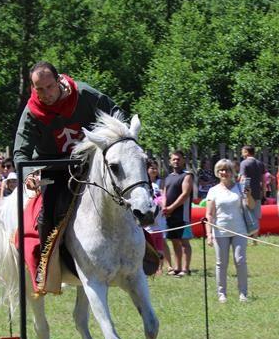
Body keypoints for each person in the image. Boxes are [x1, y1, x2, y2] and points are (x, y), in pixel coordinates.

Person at [13, 61, 124, 273]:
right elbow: (20, 152)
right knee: (47, 214)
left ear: (59, 81)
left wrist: (118, 142)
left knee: (123, 195)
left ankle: (140, 251)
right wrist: (29, 175)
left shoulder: (84, 94)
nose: (46, 94)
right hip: (52, 171)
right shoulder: (32, 111)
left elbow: (117, 114)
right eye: (39, 89)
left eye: (49, 86)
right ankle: (49, 266)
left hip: (88, 164)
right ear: (32, 88)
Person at [205, 159, 254, 303]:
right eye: (221, 170)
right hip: (220, 231)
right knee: (221, 263)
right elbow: (209, 214)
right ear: (217, 172)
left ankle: (243, 293)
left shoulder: (240, 187)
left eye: (226, 170)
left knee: (240, 261)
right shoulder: (213, 191)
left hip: (239, 230)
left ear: (232, 172)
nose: (223, 173)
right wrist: (209, 234)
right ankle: (222, 294)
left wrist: (249, 195)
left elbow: (251, 206)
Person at [163, 150, 195, 276]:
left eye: (178, 159)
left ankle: (186, 269)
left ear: (183, 160)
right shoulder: (168, 177)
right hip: (170, 215)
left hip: (182, 215)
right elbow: (164, 193)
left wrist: (171, 207)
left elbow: (185, 194)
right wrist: (165, 206)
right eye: (174, 159)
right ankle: (177, 267)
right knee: (174, 240)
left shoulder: (187, 176)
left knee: (184, 242)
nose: (176, 161)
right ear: (170, 161)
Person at [144, 158, 174, 276]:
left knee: (163, 241)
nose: (155, 170)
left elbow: (163, 195)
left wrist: (163, 204)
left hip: (159, 216)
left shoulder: (160, 182)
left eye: (156, 168)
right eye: (152, 168)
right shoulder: (144, 183)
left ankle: (169, 265)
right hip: (149, 216)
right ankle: (152, 266)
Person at [238, 145, 265, 233]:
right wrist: (264, 193)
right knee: (256, 216)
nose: (242, 154)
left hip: (247, 193)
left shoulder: (244, 163)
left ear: (246, 152)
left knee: (246, 215)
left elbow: (243, 179)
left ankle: (247, 236)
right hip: (257, 192)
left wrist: (243, 193)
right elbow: (264, 180)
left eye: (242, 151)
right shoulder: (260, 163)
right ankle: (255, 239)